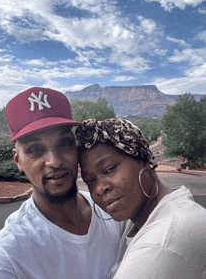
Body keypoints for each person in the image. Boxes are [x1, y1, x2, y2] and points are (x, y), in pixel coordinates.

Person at [0, 88, 125, 279]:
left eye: (64, 143)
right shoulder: (5, 259)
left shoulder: (109, 210)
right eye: (35, 149)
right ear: (17, 160)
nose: (55, 161)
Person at [76, 118, 206, 279]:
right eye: (90, 181)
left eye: (109, 169)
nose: (100, 188)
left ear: (143, 159)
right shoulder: (144, 218)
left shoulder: (160, 245)